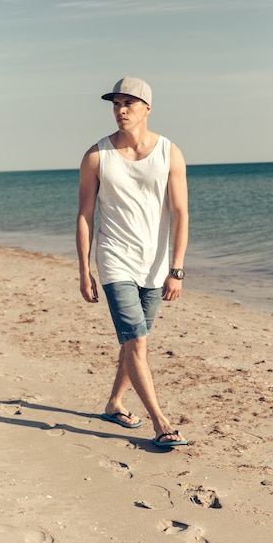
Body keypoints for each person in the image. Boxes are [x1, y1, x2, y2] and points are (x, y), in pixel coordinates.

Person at [76, 76, 189, 448]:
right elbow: (85, 215)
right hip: (114, 260)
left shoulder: (169, 152)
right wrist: (84, 269)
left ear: (146, 109)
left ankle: (114, 403)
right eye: (115, 103)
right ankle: (161, 423)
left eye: (129, 103)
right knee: (137, 343)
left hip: (155, 266)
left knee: (132, 342)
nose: (120, 110)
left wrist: (176, 269)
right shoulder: (97, 155)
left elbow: (180, 213)